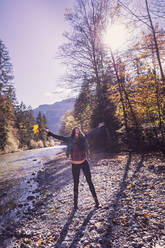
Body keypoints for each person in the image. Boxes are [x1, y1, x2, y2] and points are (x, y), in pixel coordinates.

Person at [41, 122, 104, 210]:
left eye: (78, 129)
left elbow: (91, 133)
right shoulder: (69, 139)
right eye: (75, 129)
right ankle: (75, 205)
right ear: (73, 132)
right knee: (76, 184)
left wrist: (98, 127)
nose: (77, 130)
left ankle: (97, 203)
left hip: (84, 163)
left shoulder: (83, 138)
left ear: (79, 131)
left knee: (90, 181)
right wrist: (48, 132)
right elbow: (58, 137)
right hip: (75, 165)